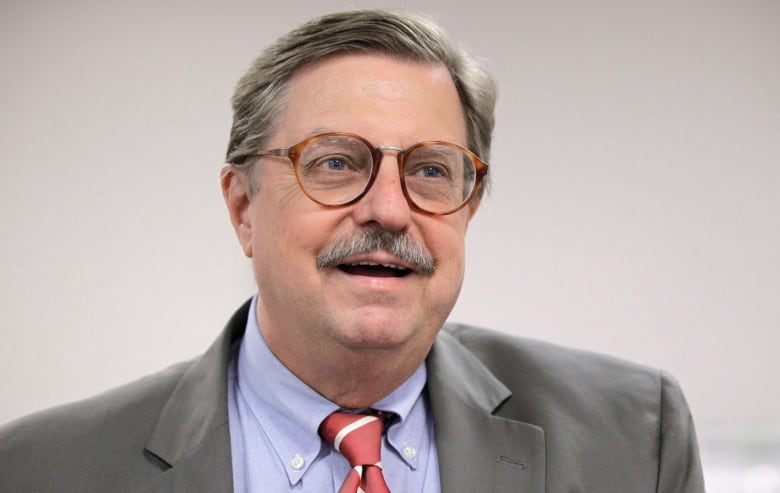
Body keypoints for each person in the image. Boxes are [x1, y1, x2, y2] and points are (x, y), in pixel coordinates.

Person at [0, 9, 705, 492]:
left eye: (432, 169)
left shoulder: (634, 438)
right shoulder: (40, 468)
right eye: (336, 162)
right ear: (243, 207)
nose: (390, 209)